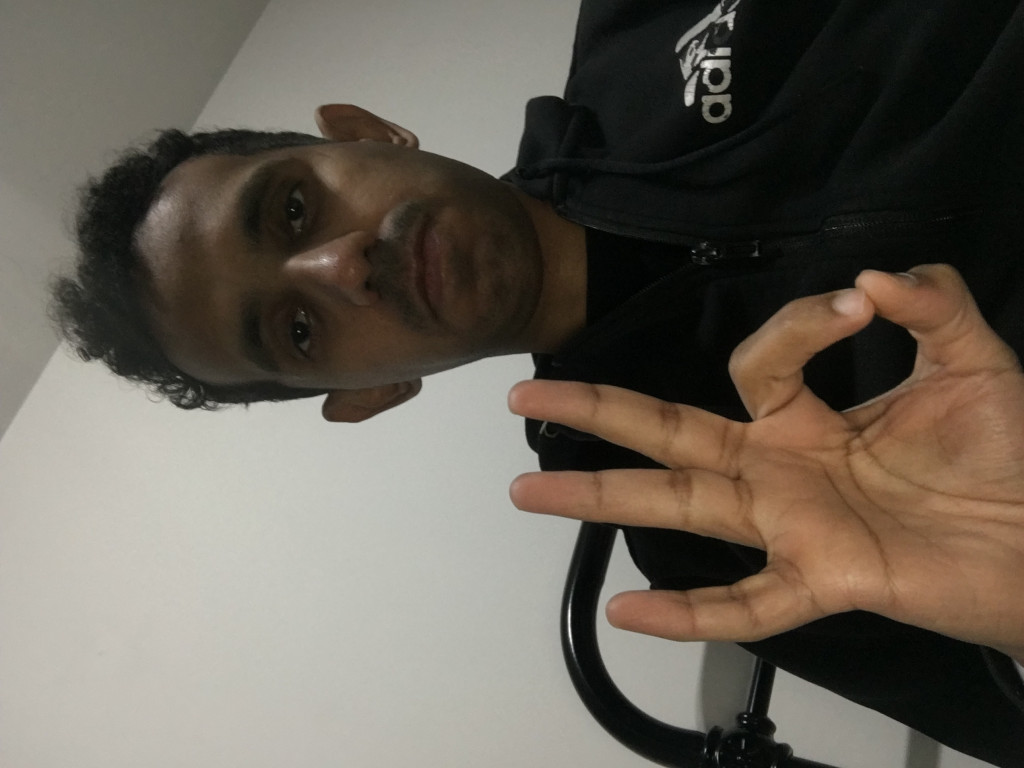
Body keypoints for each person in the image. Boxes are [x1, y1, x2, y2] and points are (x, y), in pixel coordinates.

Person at [51, 0, 1024, 763]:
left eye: (293, 209)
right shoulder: (710, 543)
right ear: (369, 394)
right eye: (296, 331)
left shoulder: (642, 16)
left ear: (367, 131)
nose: (339, 268)